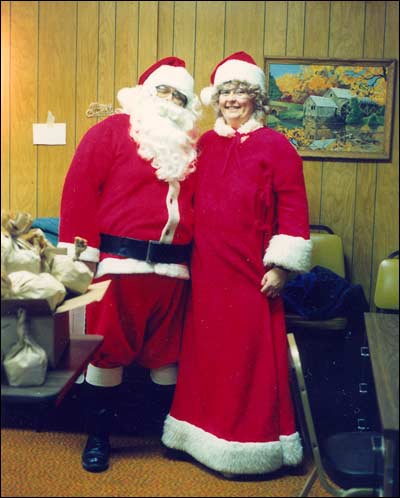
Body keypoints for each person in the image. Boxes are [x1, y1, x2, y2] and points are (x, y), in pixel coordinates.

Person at [162, 52, 312, 477]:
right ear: (216, 98)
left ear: (256, 99)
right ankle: (197, 439)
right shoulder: (205, 144)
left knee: (247, 361)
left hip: (251, 273)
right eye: (225, 92)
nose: (231, 100)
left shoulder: (277, 146)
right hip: (206, 272)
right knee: (205, 357)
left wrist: (281, 266)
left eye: (240, 92)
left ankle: (248, 448)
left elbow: (294, 209)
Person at [58, 56, 201, 473]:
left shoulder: (192, 145)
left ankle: (165, 432)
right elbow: (79, 192)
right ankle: (98, 437)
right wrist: (81, 258)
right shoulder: (109, 132)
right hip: (119, 267)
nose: (170, 101)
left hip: (174, 274)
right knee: (107, 352)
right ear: (143, 93)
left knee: (167, 354)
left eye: (179, 96)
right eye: (163, 91)